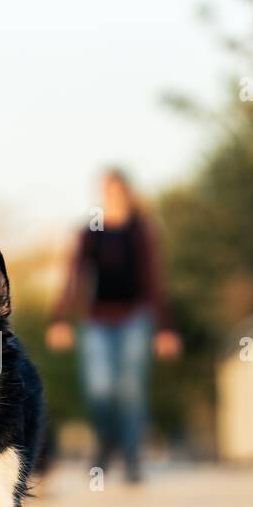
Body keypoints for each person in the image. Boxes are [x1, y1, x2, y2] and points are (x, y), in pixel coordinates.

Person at [46, 168, 181, 482]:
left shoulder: (140, 230)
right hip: (96, 320)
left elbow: (154, 280)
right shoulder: (91, 231)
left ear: (126, 192)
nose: (111, 197)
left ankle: (133, 456)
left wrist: (166, 328)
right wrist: (60, 320)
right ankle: (107, 439)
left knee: (132, 389)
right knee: (99, 388)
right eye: (106, 191)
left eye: (116, 191)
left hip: (135, 318)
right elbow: (75, 277)